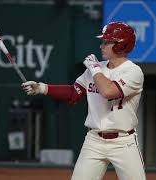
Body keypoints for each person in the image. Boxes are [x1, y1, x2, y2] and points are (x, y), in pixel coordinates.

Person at [22, 21, 146, 180]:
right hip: (94, 140)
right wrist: (42, 88)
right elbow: (74, 92)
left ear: (121, 45)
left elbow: (108, 91)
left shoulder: (133, 72)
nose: (102, 45)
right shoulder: (96, 69)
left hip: (124, 142)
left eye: (107, 42)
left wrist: (94, 69)